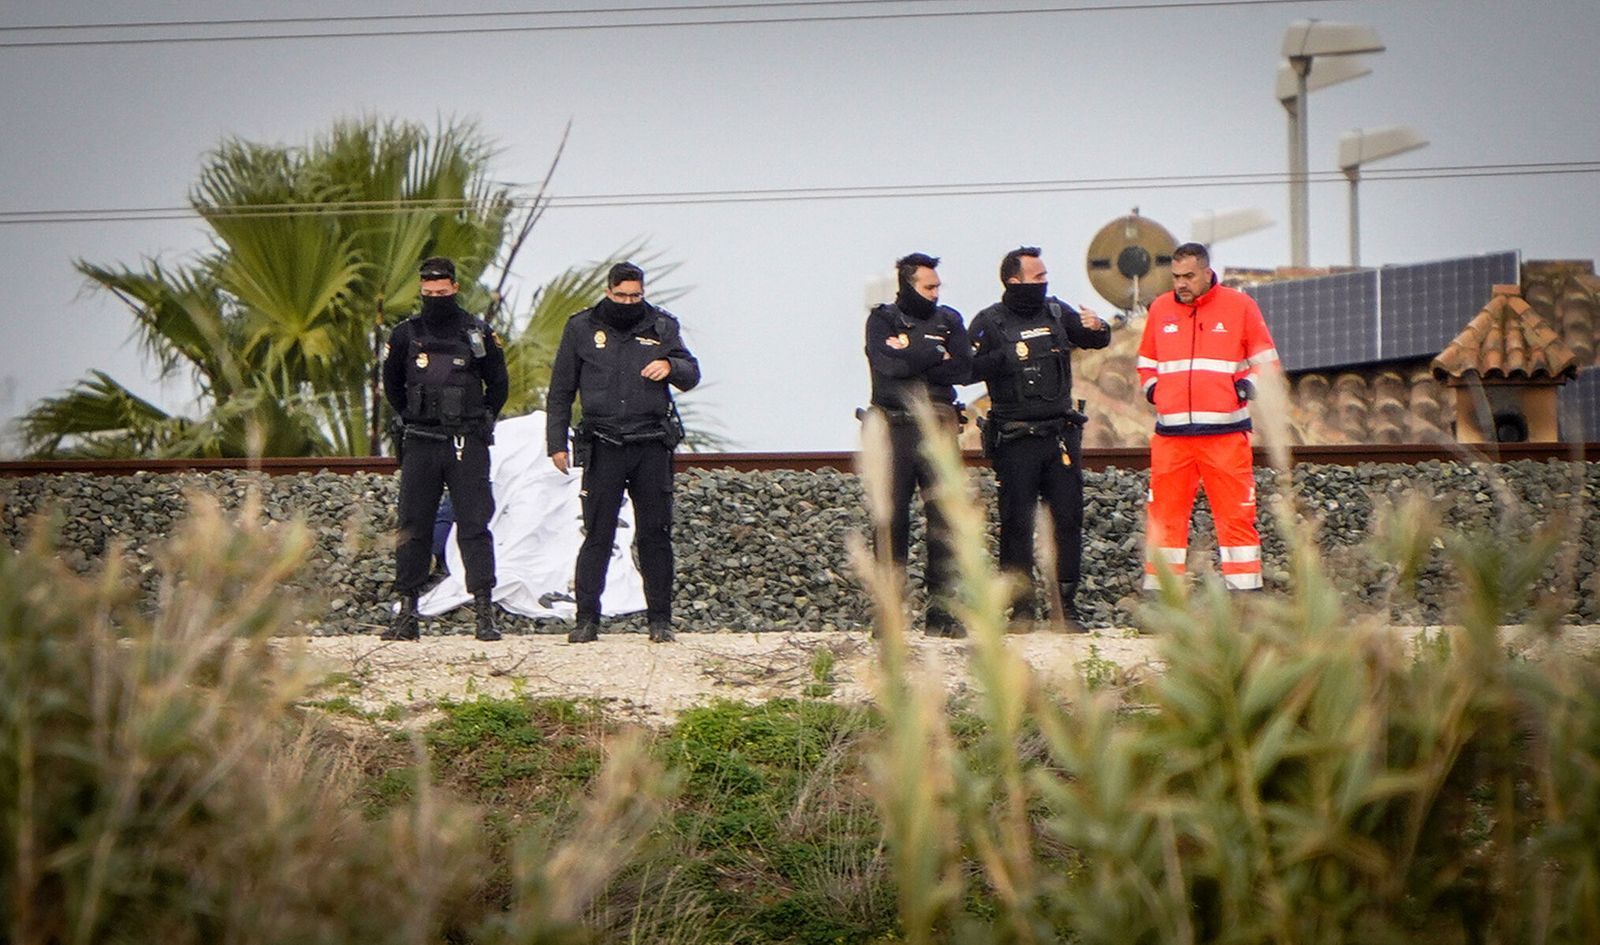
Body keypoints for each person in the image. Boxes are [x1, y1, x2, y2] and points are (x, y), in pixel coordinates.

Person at [547, 261, 700, 643]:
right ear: (608, 291)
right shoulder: (581, 327)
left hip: (650, 443)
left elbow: (691, 372)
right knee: (597, 534)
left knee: (655, 535)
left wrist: (670, 365)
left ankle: (660, 620)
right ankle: (587, 620)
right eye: (622, 296)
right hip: (603, 443)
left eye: (636, 295)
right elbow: (561, 389)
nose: (629, 302)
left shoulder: (662, 325)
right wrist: (555, 442)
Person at [969, 246, 1110, 630]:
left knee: (1067, 520)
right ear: (1013, 281)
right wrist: (1002, 360)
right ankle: (1022, 611)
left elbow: (1096, 339)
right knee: (1016, 524)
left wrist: (1098, 326)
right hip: (1015, 440)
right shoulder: (989, 322)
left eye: (1046, 276)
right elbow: (965, 369)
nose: (1044, 282)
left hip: (1060, 436)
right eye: (1037, 277)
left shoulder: (1055, 311)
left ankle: (1065, 609)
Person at [1136, 241, 1280, 592]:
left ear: (1206, 272)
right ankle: (1162, 598)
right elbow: (1146, 363)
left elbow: (1267, 362)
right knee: (1164, 519)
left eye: (1188, 276)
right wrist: (1155, 391)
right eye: (1175, 277)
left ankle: (1245, 594)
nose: (1180, 284)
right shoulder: (1160, 309)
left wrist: (1245, 388)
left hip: (1225, 435)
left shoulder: (1240, 306)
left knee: (1235, 517)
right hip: (1171, 437)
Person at [382, 256, 508, 641]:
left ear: (454, 288)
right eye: (428, 292)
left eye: (442, 291)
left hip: (465, 441)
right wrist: (410, 417)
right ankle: (407, 614)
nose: (435, 297)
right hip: (421, 440)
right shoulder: (406, 334)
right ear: (421, 289)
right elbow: (392, 385)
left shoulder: (477, 333)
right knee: (413, 526)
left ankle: (484, 614)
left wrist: (479, 418)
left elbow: (498, 384)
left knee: (474, 525)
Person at [863, 252, 973, 636]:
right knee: (890, 520)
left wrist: (909, 350)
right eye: (928, 287)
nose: (935, 293)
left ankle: (942, 614)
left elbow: (962, 368)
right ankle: (890, 614)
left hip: (940, 428)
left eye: (938, 286)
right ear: (908, 285)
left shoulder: (950, 320)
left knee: (945, 521)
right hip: (895, 430)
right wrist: (930, 352)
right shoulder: (883, 320)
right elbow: (887, 366)